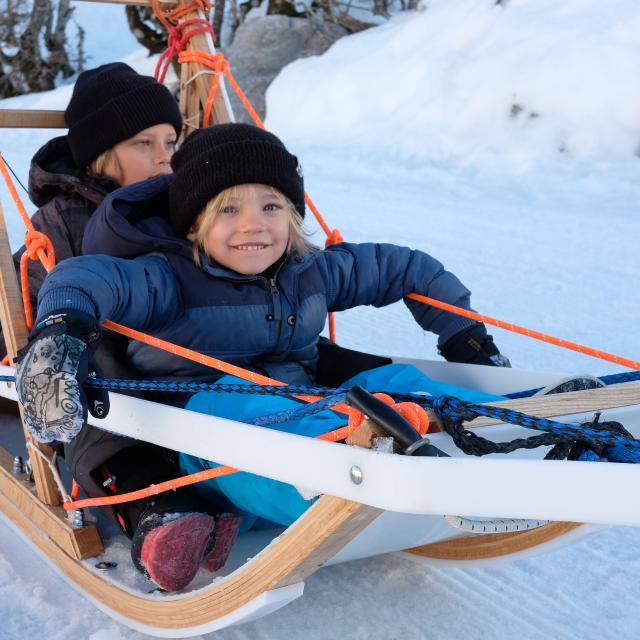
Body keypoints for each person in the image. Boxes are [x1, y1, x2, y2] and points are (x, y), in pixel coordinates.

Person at [14, 123, 510, 586]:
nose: (254, 225)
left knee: (394, 379)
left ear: (292, 216)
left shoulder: (310, 270)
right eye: (228, 210)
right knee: (242, 407)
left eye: (271, 207)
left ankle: (512, 420)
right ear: (193, 225)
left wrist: (465, 337)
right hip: (198, 435)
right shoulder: (167, 277)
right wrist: (62, 333)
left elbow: (408, 268)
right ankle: (352, 467)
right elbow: (83, 278)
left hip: (299, 407)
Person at [5, 63, 239, 592]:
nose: (164, 156)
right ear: (101, 158)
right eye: (143, 143)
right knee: (109, 410)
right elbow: (36, 291)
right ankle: (159, 514)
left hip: (195, 357)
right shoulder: (65, 223)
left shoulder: (188, 204)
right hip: (110, 375)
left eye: (170, 140)